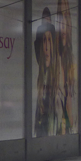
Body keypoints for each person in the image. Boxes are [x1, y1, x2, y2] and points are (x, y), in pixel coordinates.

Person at [33, 8, 63, 137]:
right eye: (43, 41)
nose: (46, 47)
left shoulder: (58, 76)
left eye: (49, 41)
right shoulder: (39, 76)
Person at [55, 0, 76, 134]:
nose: (62, 25)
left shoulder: (72, 61)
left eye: (65, 18)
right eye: (59, 19)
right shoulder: (52, 61)